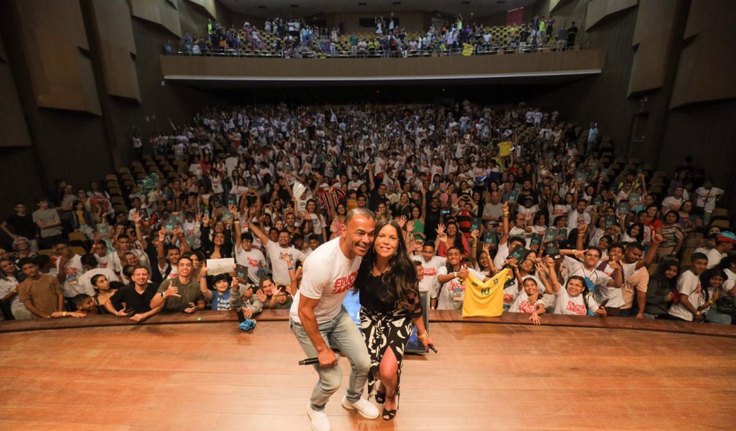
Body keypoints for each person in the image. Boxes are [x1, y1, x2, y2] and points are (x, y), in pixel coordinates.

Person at [289, 208, 380, 431]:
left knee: (363, 363)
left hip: (336, 315)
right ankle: (315, 407)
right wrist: (322, 349)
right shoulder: (321, 262)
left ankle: (352, 399)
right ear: (343, 230)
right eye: (360, 233)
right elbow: (304, 311)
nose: (366, 239)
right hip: (308, 321)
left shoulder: (361, 251)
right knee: (332, 379)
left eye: (370, 234)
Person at [355, 219, 434, 420]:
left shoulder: (405, 268)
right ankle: (382, 384)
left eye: (392, 238)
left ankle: (391, 395)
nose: (386, 242)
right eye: (381, 236)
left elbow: (414, 304)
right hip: (370, 320)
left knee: (388, 371)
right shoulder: (361, 264)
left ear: (399, 243)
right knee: (375, 370)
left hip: (398, 320)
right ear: (373, 239)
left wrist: (423, 333)